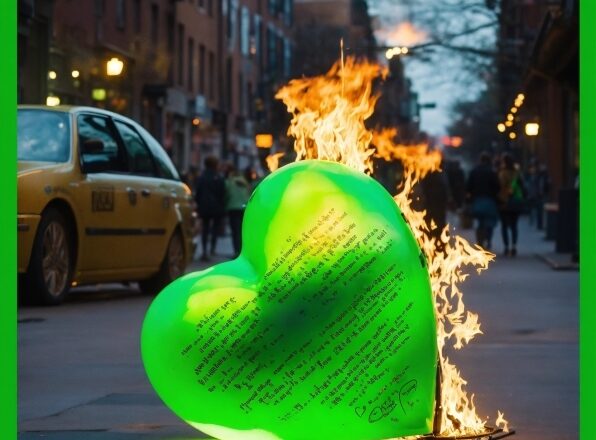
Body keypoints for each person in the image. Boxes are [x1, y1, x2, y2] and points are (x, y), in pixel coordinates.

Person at [194, 156, 226, 261]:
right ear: (215, 165)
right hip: (216, 207)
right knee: (215, 229)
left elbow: (198, 192)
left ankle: (204, 251)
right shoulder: (219, 177)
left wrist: (198, 204)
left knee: (205, 229)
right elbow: (222, 193)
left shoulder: (201, 177)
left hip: (204, 206)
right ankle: (212, 249)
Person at [466, 152, 500, 250]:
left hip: (477, 200)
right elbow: (497, 186)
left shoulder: (474, 171)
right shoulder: (492, 172)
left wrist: (470, 197)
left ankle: (480, 241)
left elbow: (468, 186)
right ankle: (488, 240)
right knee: (489, 222)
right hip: (489, 200)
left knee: (480, 222)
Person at [498, 153, 526, 256]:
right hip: (516, 201)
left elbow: (499, 186)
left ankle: (506, 246)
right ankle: (514, 246)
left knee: (504, 225)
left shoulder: (502, 173)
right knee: (514, 225)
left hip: (504, 201)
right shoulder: (517, 173)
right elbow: (523, 186)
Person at [225, 165, 251, 257]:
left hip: (233, 208)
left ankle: (236, 252)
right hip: (244, 208)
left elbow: (226, 194)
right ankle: (243, 251)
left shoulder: (229, 182)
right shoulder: (245, 182)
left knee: (235, 231)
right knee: (242, 231)